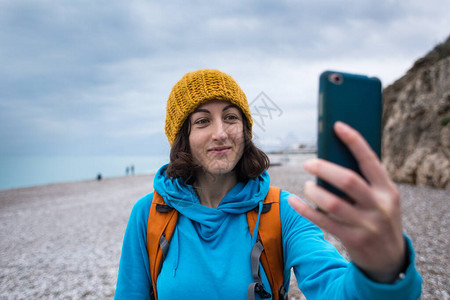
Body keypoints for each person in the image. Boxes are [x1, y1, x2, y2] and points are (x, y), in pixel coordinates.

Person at [115, 69, 422, 299]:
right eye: (203, 121)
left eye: (231, 117)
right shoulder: (150, 214)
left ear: (245, 130)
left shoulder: (283, 210)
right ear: (182, 138)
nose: (221, 132)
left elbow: (332, 286)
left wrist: (380, 272)